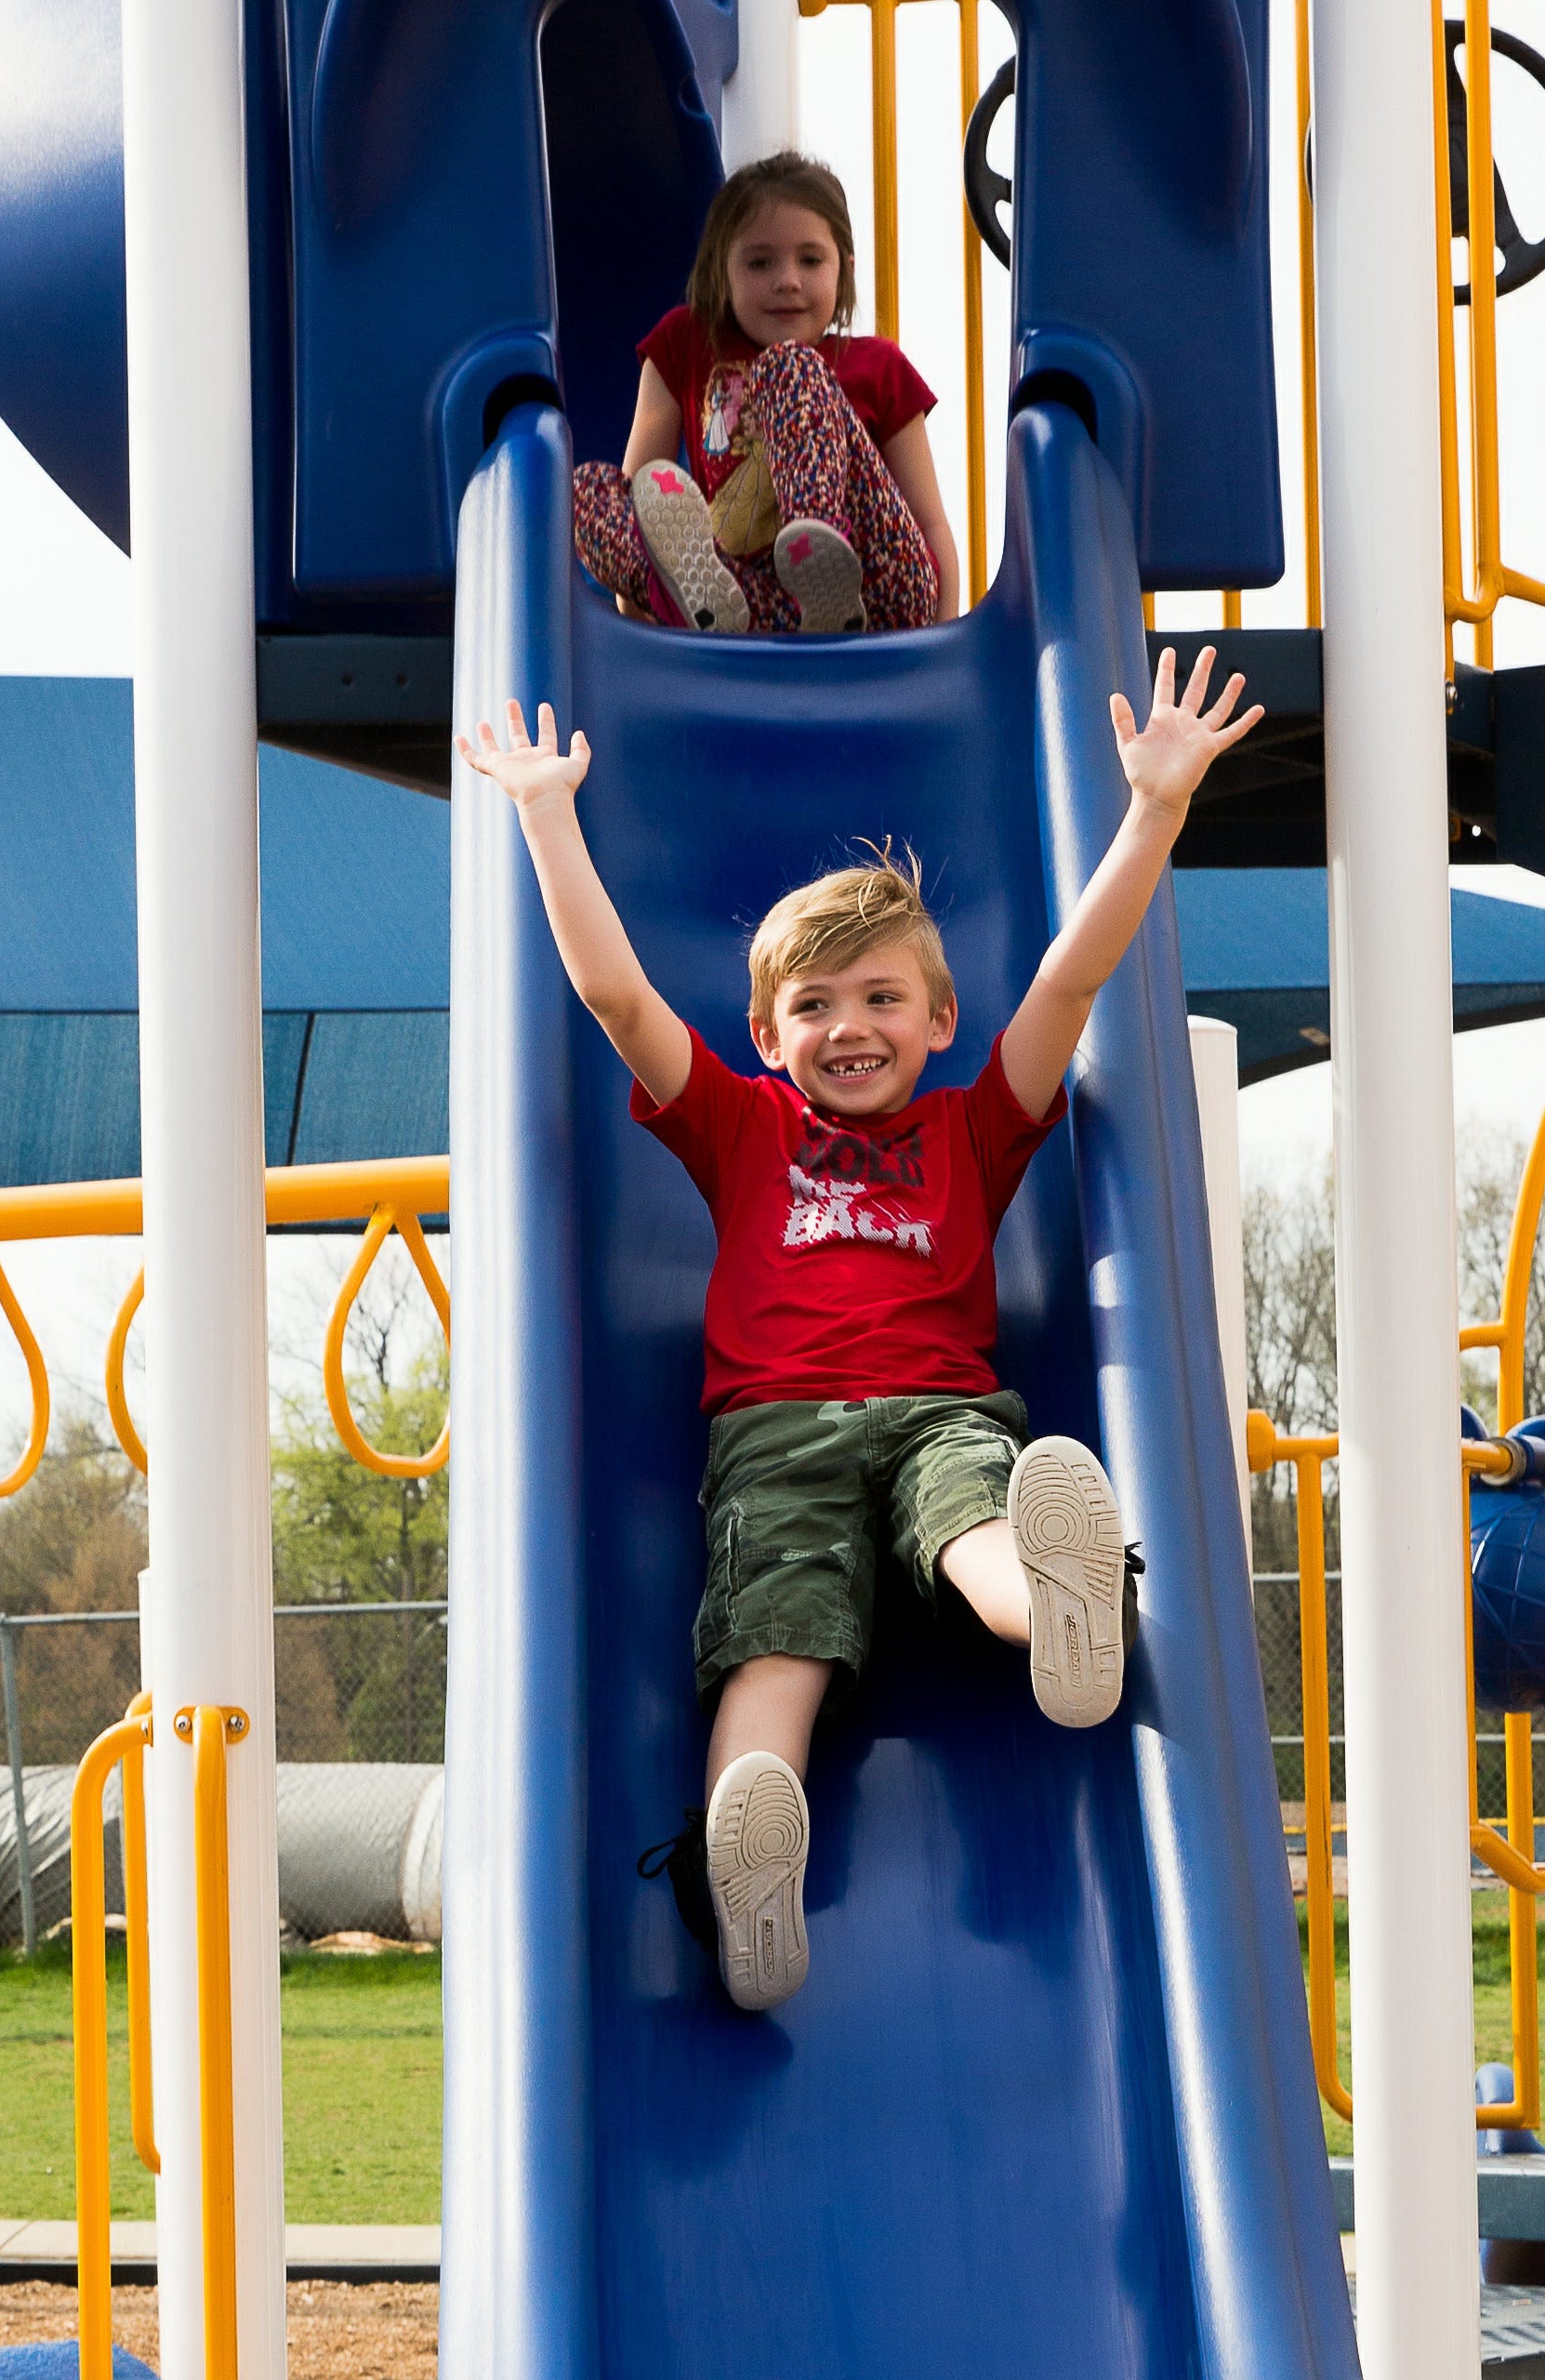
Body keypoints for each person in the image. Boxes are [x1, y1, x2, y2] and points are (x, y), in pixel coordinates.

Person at [457, 644, 1262, 2013]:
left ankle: (1061, 1615)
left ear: (940, 1018)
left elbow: (1069, 983)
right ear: (767, 1035)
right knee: (778, 1644)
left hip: (944, 1410)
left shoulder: (974, 1126)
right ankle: (751, 1852)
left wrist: (1155, 814)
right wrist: (545, 812)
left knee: (976, 1519)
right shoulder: (738, 1123)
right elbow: (614, 996)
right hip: (773, 1438)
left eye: (882, 998)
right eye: (813, 1005)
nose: (849, 1026)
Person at [571, 152, 961, 637]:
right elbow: (640, 499)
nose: (787, 280)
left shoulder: (879, 366)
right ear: (722, 271)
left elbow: (930, 520)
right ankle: (698, 603)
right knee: (587, 493)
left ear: (844, 270)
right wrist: (645, 631)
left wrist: (945, 644)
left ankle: (820, 546)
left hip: (880, 598)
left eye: (811, 259)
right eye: (759, 263)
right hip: (758, 613)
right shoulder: (687, 342)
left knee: (790, 364)